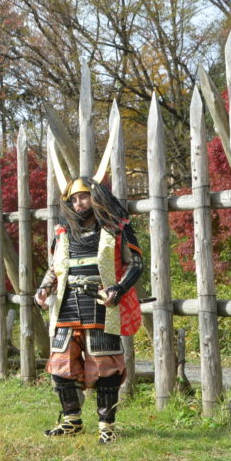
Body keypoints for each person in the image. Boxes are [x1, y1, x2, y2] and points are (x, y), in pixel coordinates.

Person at [35, 176, 143, 443]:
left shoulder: (117, 227)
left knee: (106, 368)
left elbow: (136, 263)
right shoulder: (63, 231)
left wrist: (117, 289)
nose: (78, 203)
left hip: (101, 305)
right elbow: (55, 267)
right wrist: (44, 288)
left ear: (96, 197)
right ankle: (71, 421)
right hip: (67, 307)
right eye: (73, 199)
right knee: (61, 365)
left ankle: (107, 426)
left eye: (83, 197)